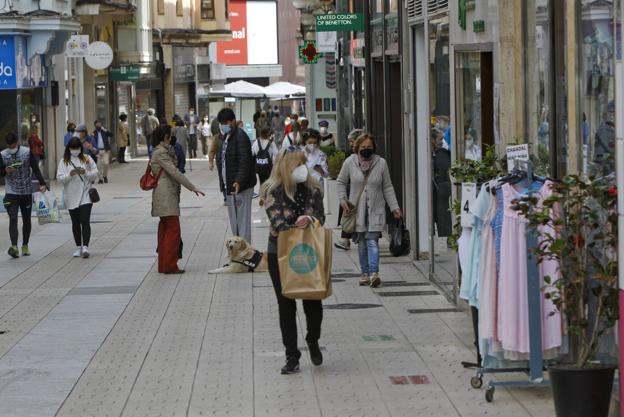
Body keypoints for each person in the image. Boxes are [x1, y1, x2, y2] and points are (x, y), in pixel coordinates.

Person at [261, 146, 325, 374]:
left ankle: (313, 339)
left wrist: (309, 218)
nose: (301, 169)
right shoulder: (271, 191)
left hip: (308, 250)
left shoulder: (314, 190)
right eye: (296, 165)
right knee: (286, 304)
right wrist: (294, 223)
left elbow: (321, 216)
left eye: (303, 164)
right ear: (285, 167)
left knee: (313, 300)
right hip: (280, 252)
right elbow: (278, 221)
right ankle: (292, 356)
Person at [336, 133, 402, 287]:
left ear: (374, 148)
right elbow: (340, 182)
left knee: (372, 241)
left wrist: (395, 208)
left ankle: (374, 273)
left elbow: (387, 186)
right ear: (357, 147)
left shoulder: (381, 163)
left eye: (369, 147)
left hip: (375, 210)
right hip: (356, 212)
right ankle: (364, 273)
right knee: (362, 244)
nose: (366, 150)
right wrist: (342, 200)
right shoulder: (349, 163)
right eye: (363, 147)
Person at [150, 125, 204, 274]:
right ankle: (170, 265)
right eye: (170, 136)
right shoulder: (161, 153)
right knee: (173, 230)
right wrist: (192, 187)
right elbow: (174, 172)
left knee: (166, 230)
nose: (172, 138)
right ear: (165, 137)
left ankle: (164, 265)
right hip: (165, 196)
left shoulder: (161, 151)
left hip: (166, 195)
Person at [0, 133, 47, 258]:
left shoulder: (27, 152)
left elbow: (35, 169)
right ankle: (14, 246)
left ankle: (25, 245)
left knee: (26, 220)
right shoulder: (3, 154)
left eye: (14, 146)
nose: (12, 148)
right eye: (10, 146)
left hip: (26, 192)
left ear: (18, 142)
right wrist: (5, 170)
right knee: (13, 218)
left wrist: (43, 184)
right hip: (11, 193)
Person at [218, 108, 257, 243]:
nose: (224, 125)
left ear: (233, 121)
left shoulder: (240, 137)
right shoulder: (227, 137)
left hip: (240, 187)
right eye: (222, 123)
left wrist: (238, 180)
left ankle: (245, 254)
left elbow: (244, 162)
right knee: (235, 223)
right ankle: (238, 254)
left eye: (226, 122)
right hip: (230, 186)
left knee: (242, 223)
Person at [57, 138, 98, 258]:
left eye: (77, 148)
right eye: (73, 148)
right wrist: (70, 174)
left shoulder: (87, 158)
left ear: (81, 148)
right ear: (69, 149)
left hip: (85, 194)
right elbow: (60, 179)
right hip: (71, 195)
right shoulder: (64, 161)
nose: (75, 151)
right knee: (75, 222)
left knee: (85, 220)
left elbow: (95, 173)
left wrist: (85, 172)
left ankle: (85, 247)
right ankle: (78, 246)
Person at [335, 129, 363, 251]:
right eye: (350, 142)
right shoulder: (350, 155)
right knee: (347, 211)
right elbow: (342, 177)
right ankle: (345, 239)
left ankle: (350, 239)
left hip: (362, 189)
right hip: (350, 188)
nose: (351, 144)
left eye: (352, 141)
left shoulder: (368, 154)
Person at [93, 120, 113, 184]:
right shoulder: (93, 133)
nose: (99, 125)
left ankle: (104, 176)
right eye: (98, 124)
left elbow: (111, 135)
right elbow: (91, 141)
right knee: (98, 165)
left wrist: (105, 130)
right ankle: (100, 179)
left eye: (100, 124)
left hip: (105, 150)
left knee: (106, 163)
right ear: (95, 125)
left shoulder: (104, 131)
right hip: (97, 151)